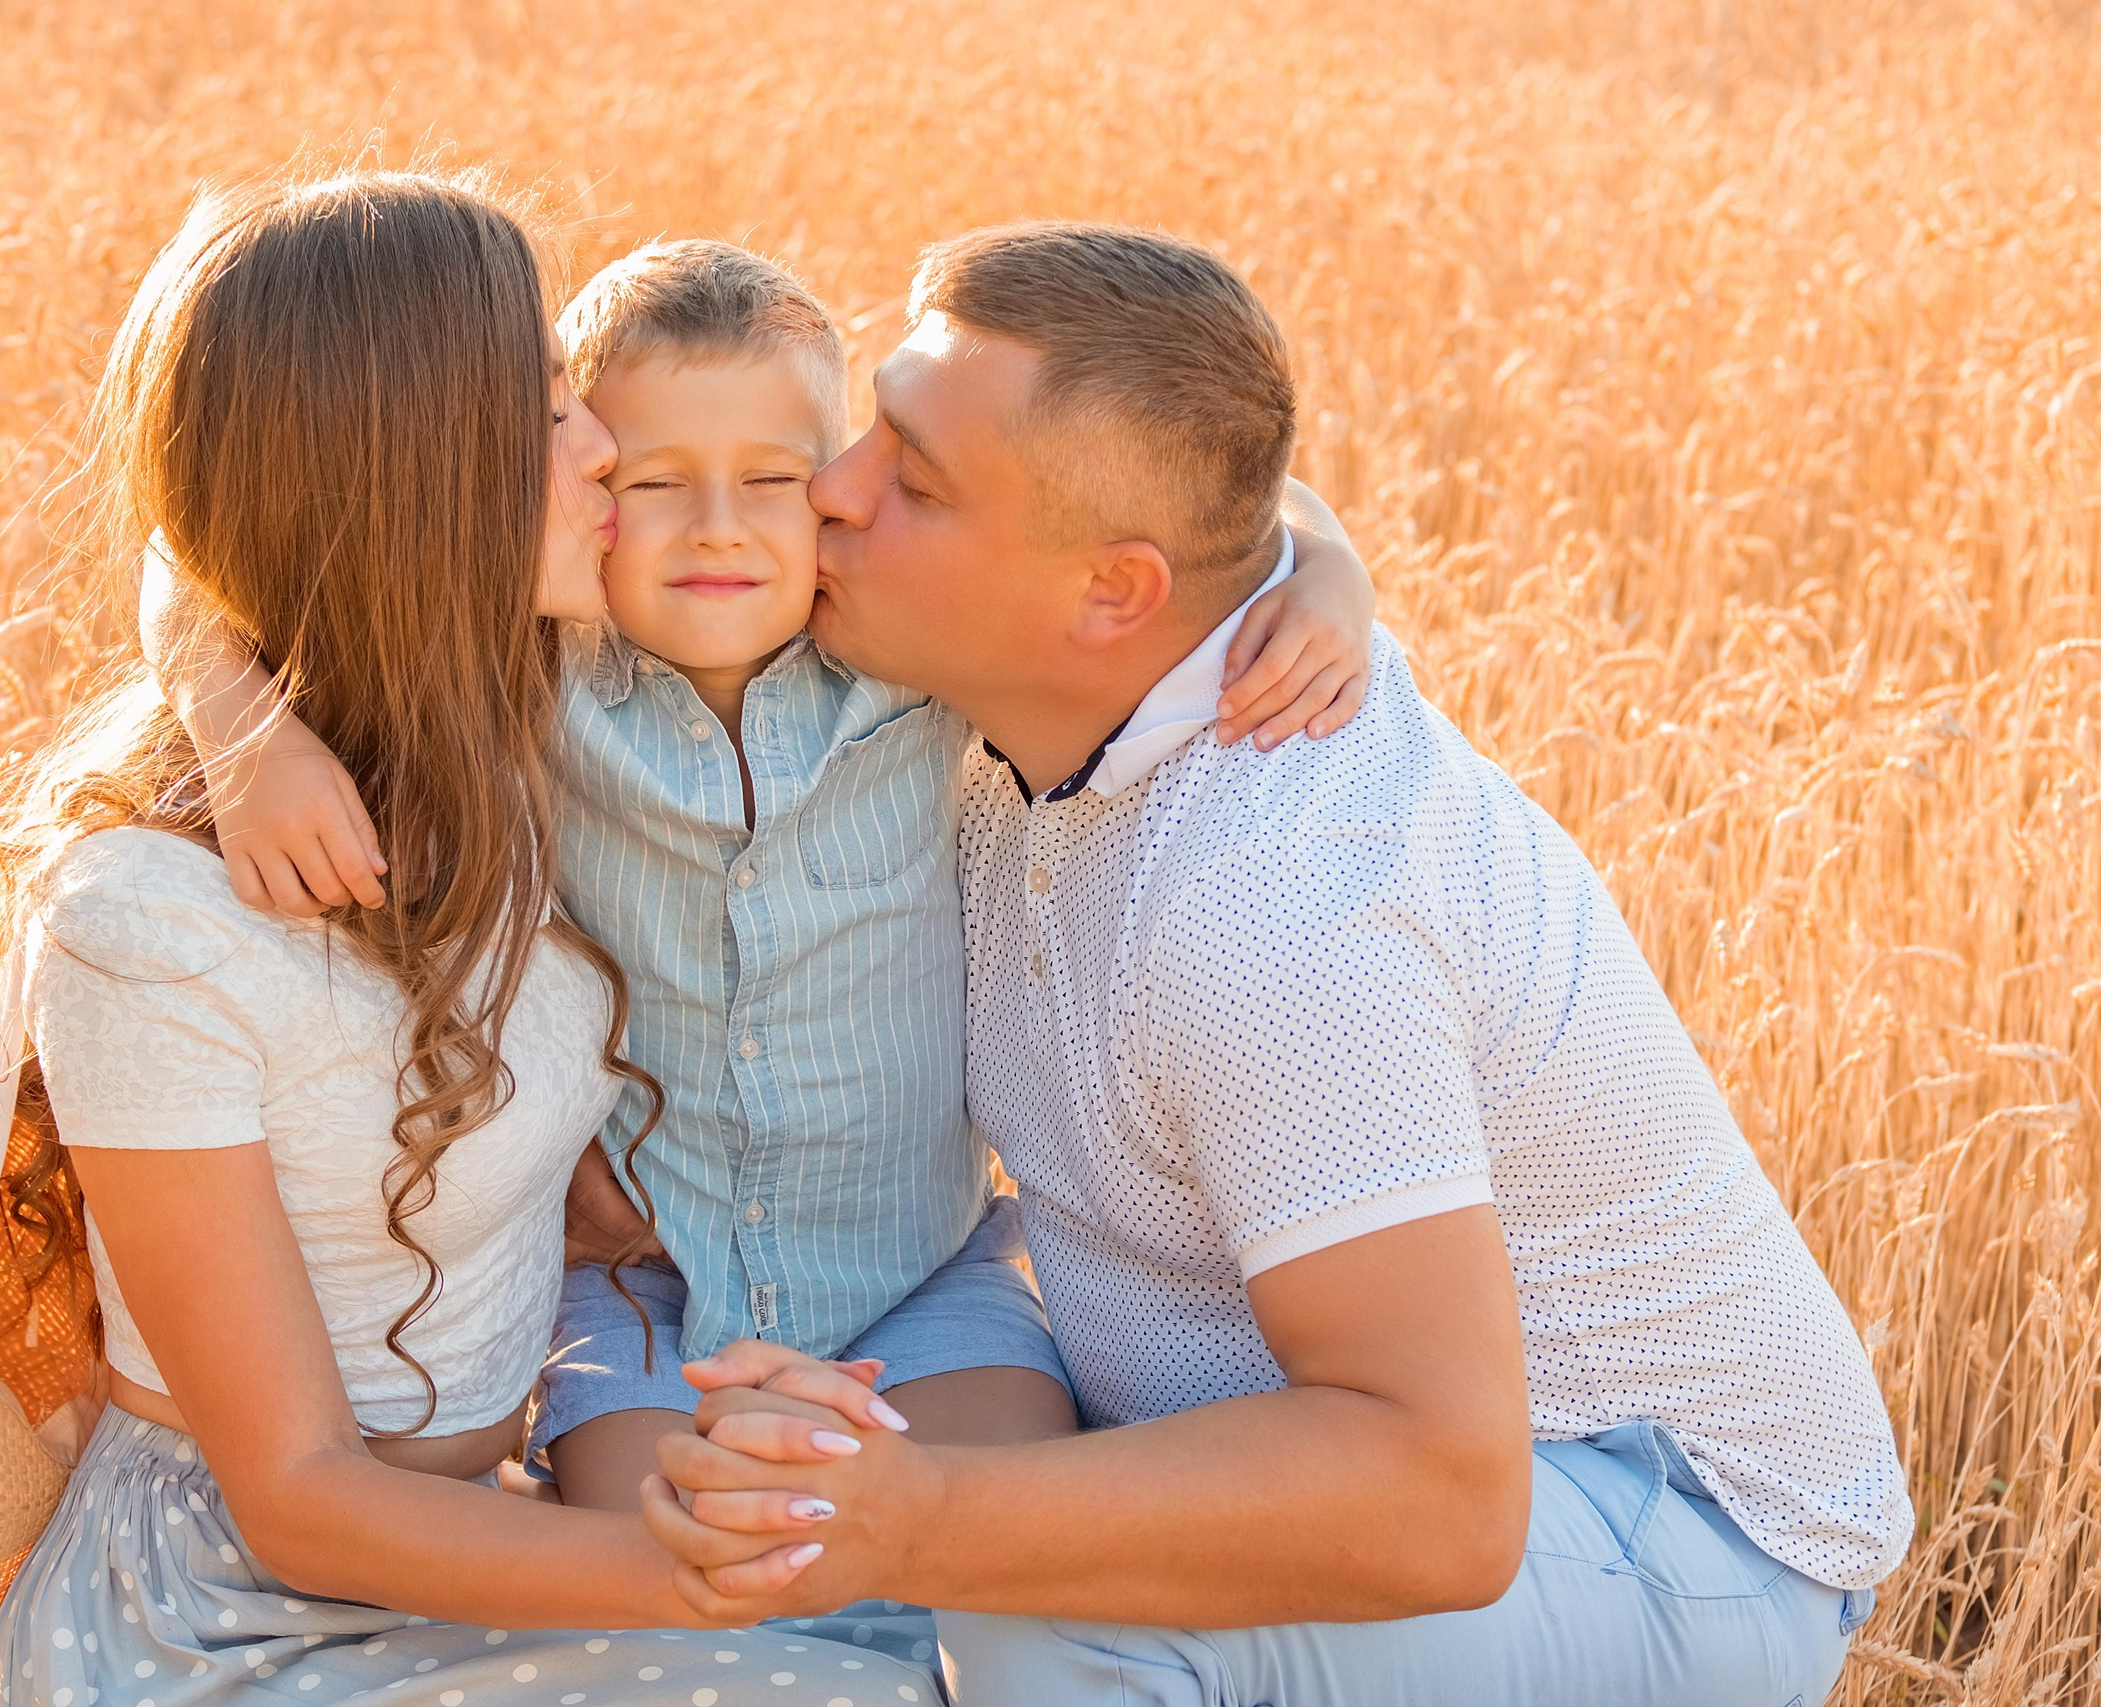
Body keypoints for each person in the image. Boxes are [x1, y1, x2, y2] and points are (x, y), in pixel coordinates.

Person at [639, 222, 1914, 1707]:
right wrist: (280, 747)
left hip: (1660, 1522)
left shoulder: (1278, 902)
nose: (832, 494)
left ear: (1114, 596)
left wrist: (923, 1521)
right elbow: (556, 519)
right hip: (1360, 1463)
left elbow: (1440, 1499)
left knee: (1047, 1623)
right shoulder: (1039, 675)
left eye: (912, 481)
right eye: (871, 432)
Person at [0, 169, 941, 1707]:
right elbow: (302, 1497)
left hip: (471, 1550)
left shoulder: (509, 739)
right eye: (545, 413)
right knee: (857, 1680)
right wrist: (713, 1581)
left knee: (973, 1648)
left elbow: (199, 547)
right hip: (227, 1616)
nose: (607, 451)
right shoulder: (152, 921)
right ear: (416, 472)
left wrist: (1305, 577)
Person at [140, 238, 1383, 1527]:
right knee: (674, 1582)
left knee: (988, 1571)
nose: (718, 526)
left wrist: (1328, 569)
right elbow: (197, 545)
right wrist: (240, 722)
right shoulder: (537, 674)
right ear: (573, 485)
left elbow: (1194, 491)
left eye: (773, 480)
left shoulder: (912, 657)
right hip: (637, 1294)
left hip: (923, 1278)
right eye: (654, 479)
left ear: (842, 488)